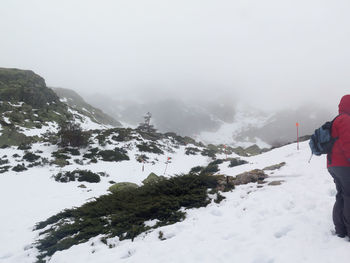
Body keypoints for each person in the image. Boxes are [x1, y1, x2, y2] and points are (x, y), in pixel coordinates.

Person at [328, 94, 350, 238]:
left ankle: (340, 229)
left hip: (333, 165)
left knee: (341, 195)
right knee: (348, 196)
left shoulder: (336, 119)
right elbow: (347, 144)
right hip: (344, 165)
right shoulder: (346, 120)